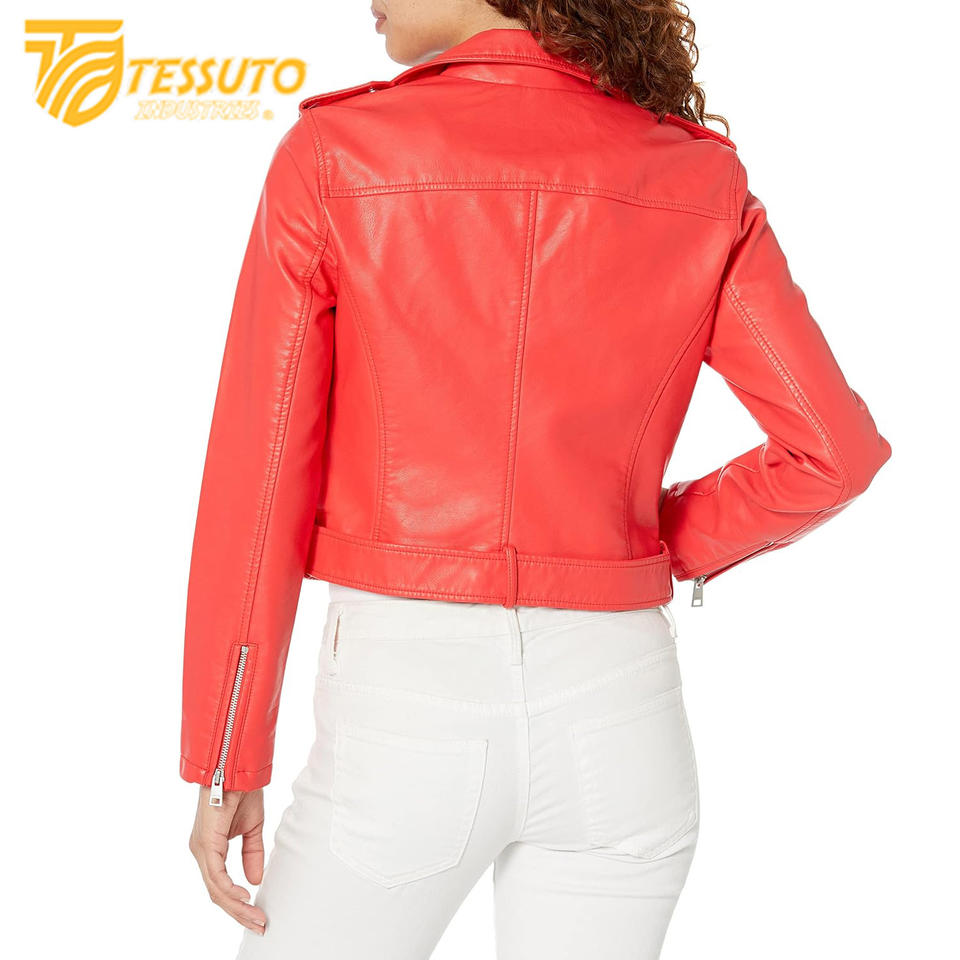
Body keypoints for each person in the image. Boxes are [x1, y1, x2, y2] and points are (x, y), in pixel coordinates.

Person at [181, 2, 892, 957]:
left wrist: (227, 752)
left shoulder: (337, 155)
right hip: (621, 714)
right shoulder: (696, 177)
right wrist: (636, 542)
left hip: (406, 706)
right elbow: (834, 450)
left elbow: (261, 474)